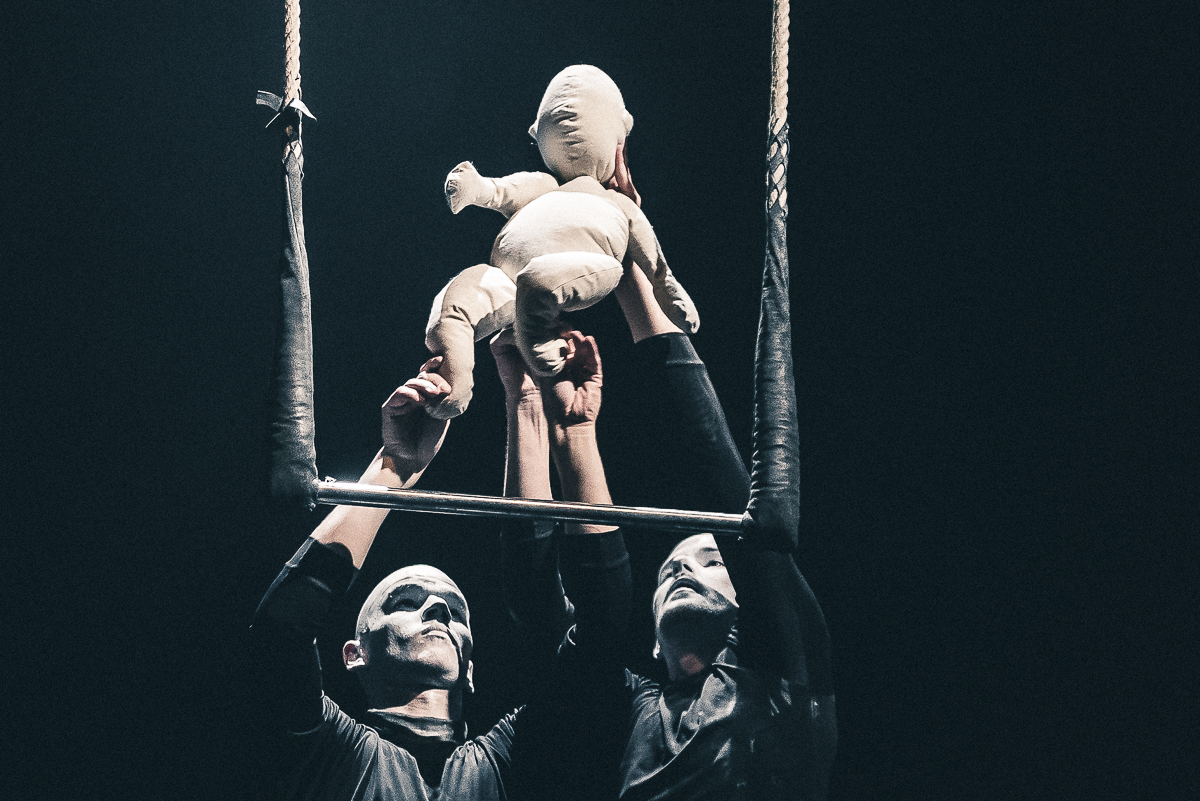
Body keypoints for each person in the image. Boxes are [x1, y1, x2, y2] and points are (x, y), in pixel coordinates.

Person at [497, 264, 837, 801]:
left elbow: (715, 461)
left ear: (747, 601)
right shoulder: (637, 709)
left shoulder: (784, 667)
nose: (682, 569)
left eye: (711, 561)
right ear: (654, 641)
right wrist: (555, 421)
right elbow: (543, 602)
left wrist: (633, 265)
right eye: (668, 570)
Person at [250, 360, 521, 801]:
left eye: (455, 612)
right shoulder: (329, 751)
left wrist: (527, 400)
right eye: (405, 601)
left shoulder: (507, 761)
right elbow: (282, 630)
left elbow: (593, 649)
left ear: (470, 669)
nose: (438, 610)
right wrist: (393, 469)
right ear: (354, 653)